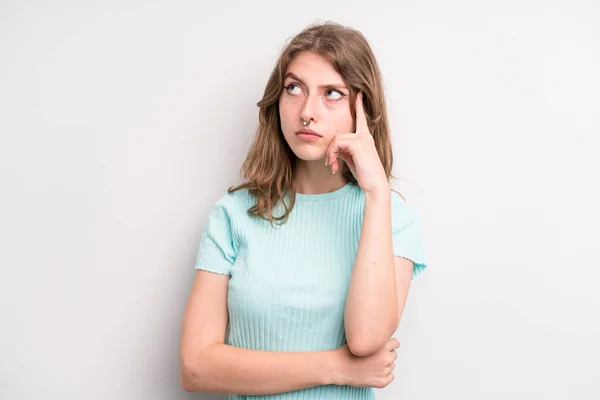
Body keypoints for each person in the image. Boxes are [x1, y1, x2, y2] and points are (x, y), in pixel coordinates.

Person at [179, 20, 428, 399]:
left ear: (363, 111)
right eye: (294, 88)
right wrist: (337, 367)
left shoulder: (395, 219)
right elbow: (196, 367)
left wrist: (376, 191)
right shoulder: (232, 215)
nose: (307, 111)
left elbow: (365, 339)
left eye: (332, 93)